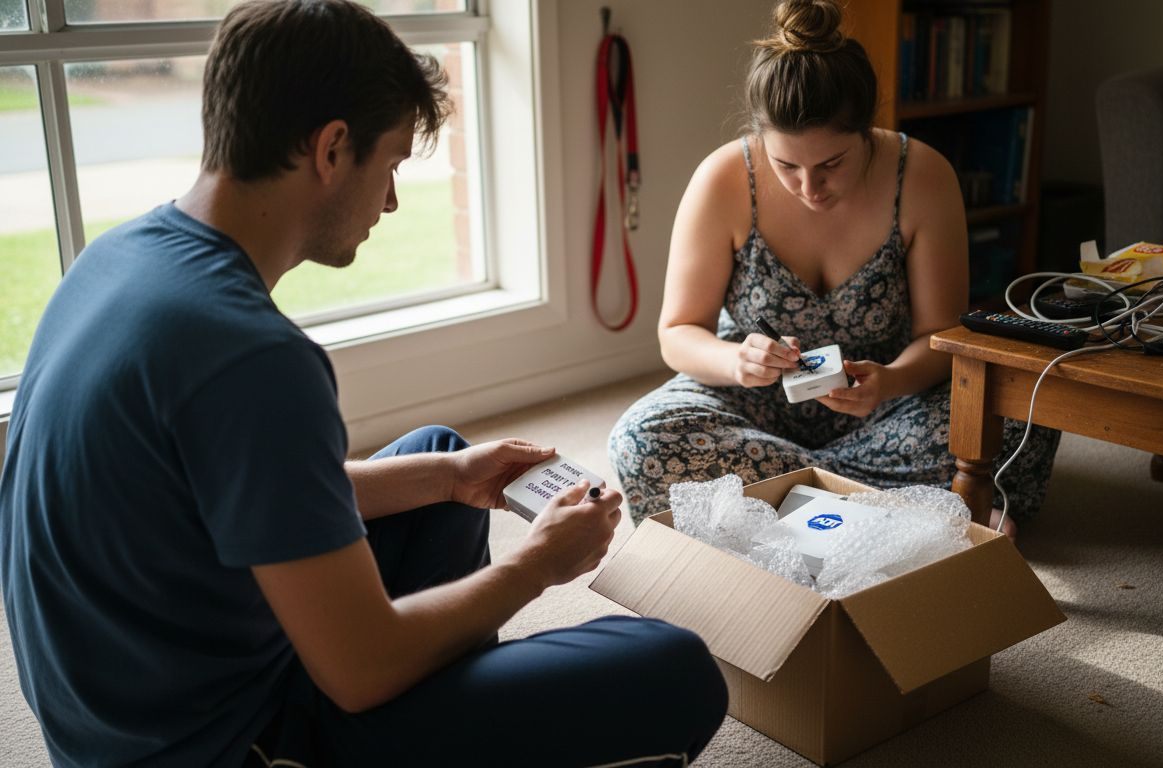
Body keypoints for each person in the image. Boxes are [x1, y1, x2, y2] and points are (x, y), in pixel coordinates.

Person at [0, 2, 726, 766]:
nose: (389, 200)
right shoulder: (251, 359)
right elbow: (360, 670)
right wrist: (537, 564)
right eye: (390, 166)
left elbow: (240, 485)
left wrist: (450, 477)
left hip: (133, 710)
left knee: (438, 462)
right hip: (224, 742)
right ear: (332, 148)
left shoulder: (118, 257)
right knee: (675, 671)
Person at [608, 0, 1060, 538]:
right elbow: (678, 334)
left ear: (866, 130)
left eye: (832, 164)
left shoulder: (922, 176)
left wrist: (889, 381)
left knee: (1021, 418)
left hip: (888, 406)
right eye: (786, 166)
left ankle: (776, 509)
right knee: (643, 438)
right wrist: (737, 362)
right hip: (756, 405)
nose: (808, 188)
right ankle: (907, 513)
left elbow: (940, 336)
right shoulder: (723, 179)